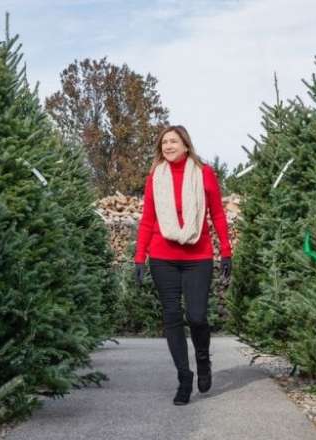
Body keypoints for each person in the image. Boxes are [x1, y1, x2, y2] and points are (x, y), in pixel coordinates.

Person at [133, 125, 233, 405]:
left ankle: (203, 359)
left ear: (186, 145)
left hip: (197, 257)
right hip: (162, 257)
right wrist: (139, 257)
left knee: (198, 316)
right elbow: (148, 220)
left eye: (173, 141)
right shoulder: (155, 177)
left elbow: (218, 214)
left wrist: (226, 250)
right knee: (172, 317)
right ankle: (184, 377)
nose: (167, 146)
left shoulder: (204, 174)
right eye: (164, 142)